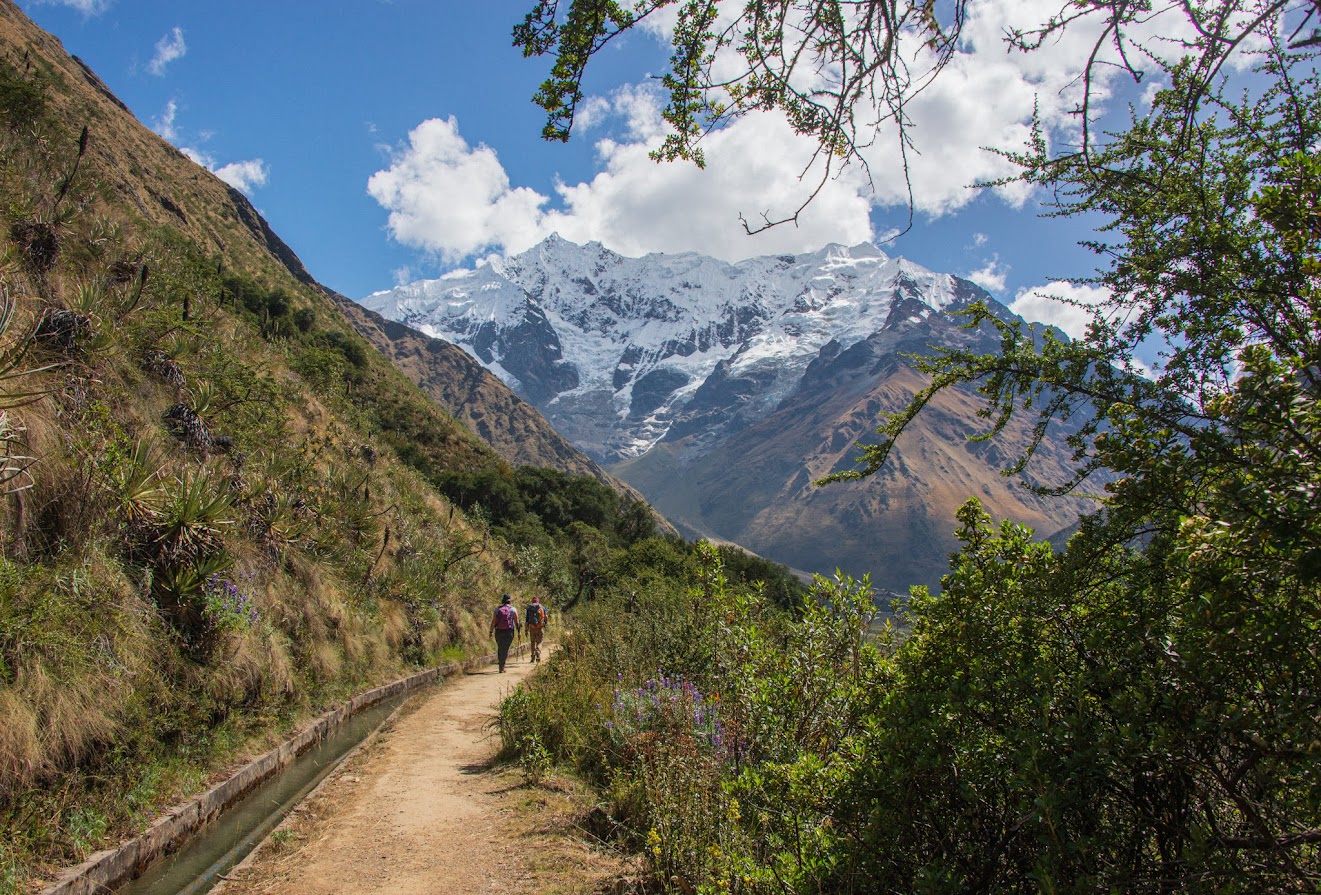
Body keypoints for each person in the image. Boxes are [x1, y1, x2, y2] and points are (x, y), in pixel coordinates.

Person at [489, 593, 521, 672]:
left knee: (500, 647)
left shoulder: (497, 609)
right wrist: (519, 632)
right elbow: (517, 622)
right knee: (505, 648)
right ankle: (502, 666)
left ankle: (501, 665)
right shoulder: (513, 609)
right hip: (509, 631)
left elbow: (493, 621)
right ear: (509, 601)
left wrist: (491, 631)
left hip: (499, 631)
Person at [525, 595, 547, 663]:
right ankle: (538, 653)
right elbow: (546, 617)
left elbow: (527, 621)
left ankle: (532, 657)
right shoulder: (542, 607)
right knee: (539, 642)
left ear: (532, 601)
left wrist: (526, 630)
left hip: (532, 628)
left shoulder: (529, 608)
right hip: (540, 627)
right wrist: (545, 623)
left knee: (532, 642)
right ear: (538, 601)